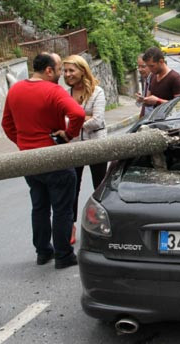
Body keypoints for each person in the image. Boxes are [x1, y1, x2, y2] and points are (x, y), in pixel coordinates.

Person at [1, 53, 85, 269]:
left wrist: (23, 143)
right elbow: (77, 113)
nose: (61, 74)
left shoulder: (15, 90)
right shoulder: (53, 90)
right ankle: (63, 255)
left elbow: (7, 124)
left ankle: (42, 252)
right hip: (53, 157)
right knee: (62, 208)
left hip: (28, 159)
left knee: (39, 207)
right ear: (48, 70)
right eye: (58, 70)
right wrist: (68, 134)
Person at [63, 54, 108, 245]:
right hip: (74, 147)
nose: (67, 74)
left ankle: (101, 224)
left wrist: (74, 120)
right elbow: (61, 120)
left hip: (96, 145)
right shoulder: (64, 94)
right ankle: (70, 225)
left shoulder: (97, 92)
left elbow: (98, 120)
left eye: (71, 70)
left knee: (100, 186)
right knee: (72, 187)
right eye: (65, 71)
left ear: (82, 71)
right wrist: (84, 117)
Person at [135, 54, 154, 118]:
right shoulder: (147, 80)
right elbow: (143, 104)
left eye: (143, 66)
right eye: (138, 67)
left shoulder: (154, 80)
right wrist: (140, 100)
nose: (140, 70)